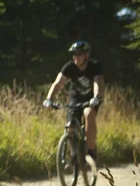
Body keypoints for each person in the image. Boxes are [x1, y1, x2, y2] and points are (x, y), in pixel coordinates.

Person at [43, 40, 104, 169]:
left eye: (79, 54)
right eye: (74, 54)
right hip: (75, 99)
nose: (75, 57)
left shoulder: (94, 66)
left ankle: (91, 152)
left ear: (86, 55)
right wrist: (49, 99)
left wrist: (96, 97)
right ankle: (73, 155)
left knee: (88, 114)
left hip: (91, 99)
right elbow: (57, 83)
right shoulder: (69, 67)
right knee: (69, 126)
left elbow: (97, 83)